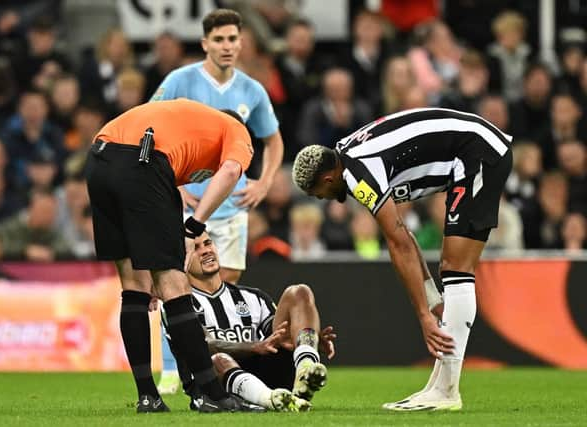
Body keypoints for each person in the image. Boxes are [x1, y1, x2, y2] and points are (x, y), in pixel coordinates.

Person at [291, 107, 513, 411]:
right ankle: (439, 387)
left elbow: (399, 244)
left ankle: (447, 391)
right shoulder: (346, 155)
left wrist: (424, 315)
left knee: (457, 268)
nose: (322, 200)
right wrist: (432, 298)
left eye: (318, 193)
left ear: (329, 178)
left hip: (477, 151)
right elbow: (404, 237)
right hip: (472, 148)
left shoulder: (358, 175)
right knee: (451, 269)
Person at [85, 98, 259, 413]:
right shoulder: (234, 128)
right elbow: (233, 169)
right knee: (175, 286)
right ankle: (212, 395)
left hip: (99, 158)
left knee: (134, 287)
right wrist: (194, 227)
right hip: (143, 160)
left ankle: (148, 398)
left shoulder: (188, 127)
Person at [149, 8, 284, 394]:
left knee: (222, 289)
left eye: (232, 39)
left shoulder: (251, 91)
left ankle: (214, 364)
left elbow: (273, 140)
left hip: (231, 210)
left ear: (242, 42)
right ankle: (174, 369)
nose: (227, 46)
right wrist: (172, 184)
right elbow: (148, 127)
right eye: (219, 39)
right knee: (177, 284)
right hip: (187, 204)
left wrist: (264, 181)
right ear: (205, 43)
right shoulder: (180, 81)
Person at [163, 231, 335, 411]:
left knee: (299, 292)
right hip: (214, 387)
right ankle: (270, 399)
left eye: (208, 243)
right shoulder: (177, 306)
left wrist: (305, 338)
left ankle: (305, 369)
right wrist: (252, 346)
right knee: (218, 359)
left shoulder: (253, 297)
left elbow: (278, 335)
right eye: (196, 248)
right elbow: (202, 344)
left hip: (265, 375)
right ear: (182, 259)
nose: (205, 251)